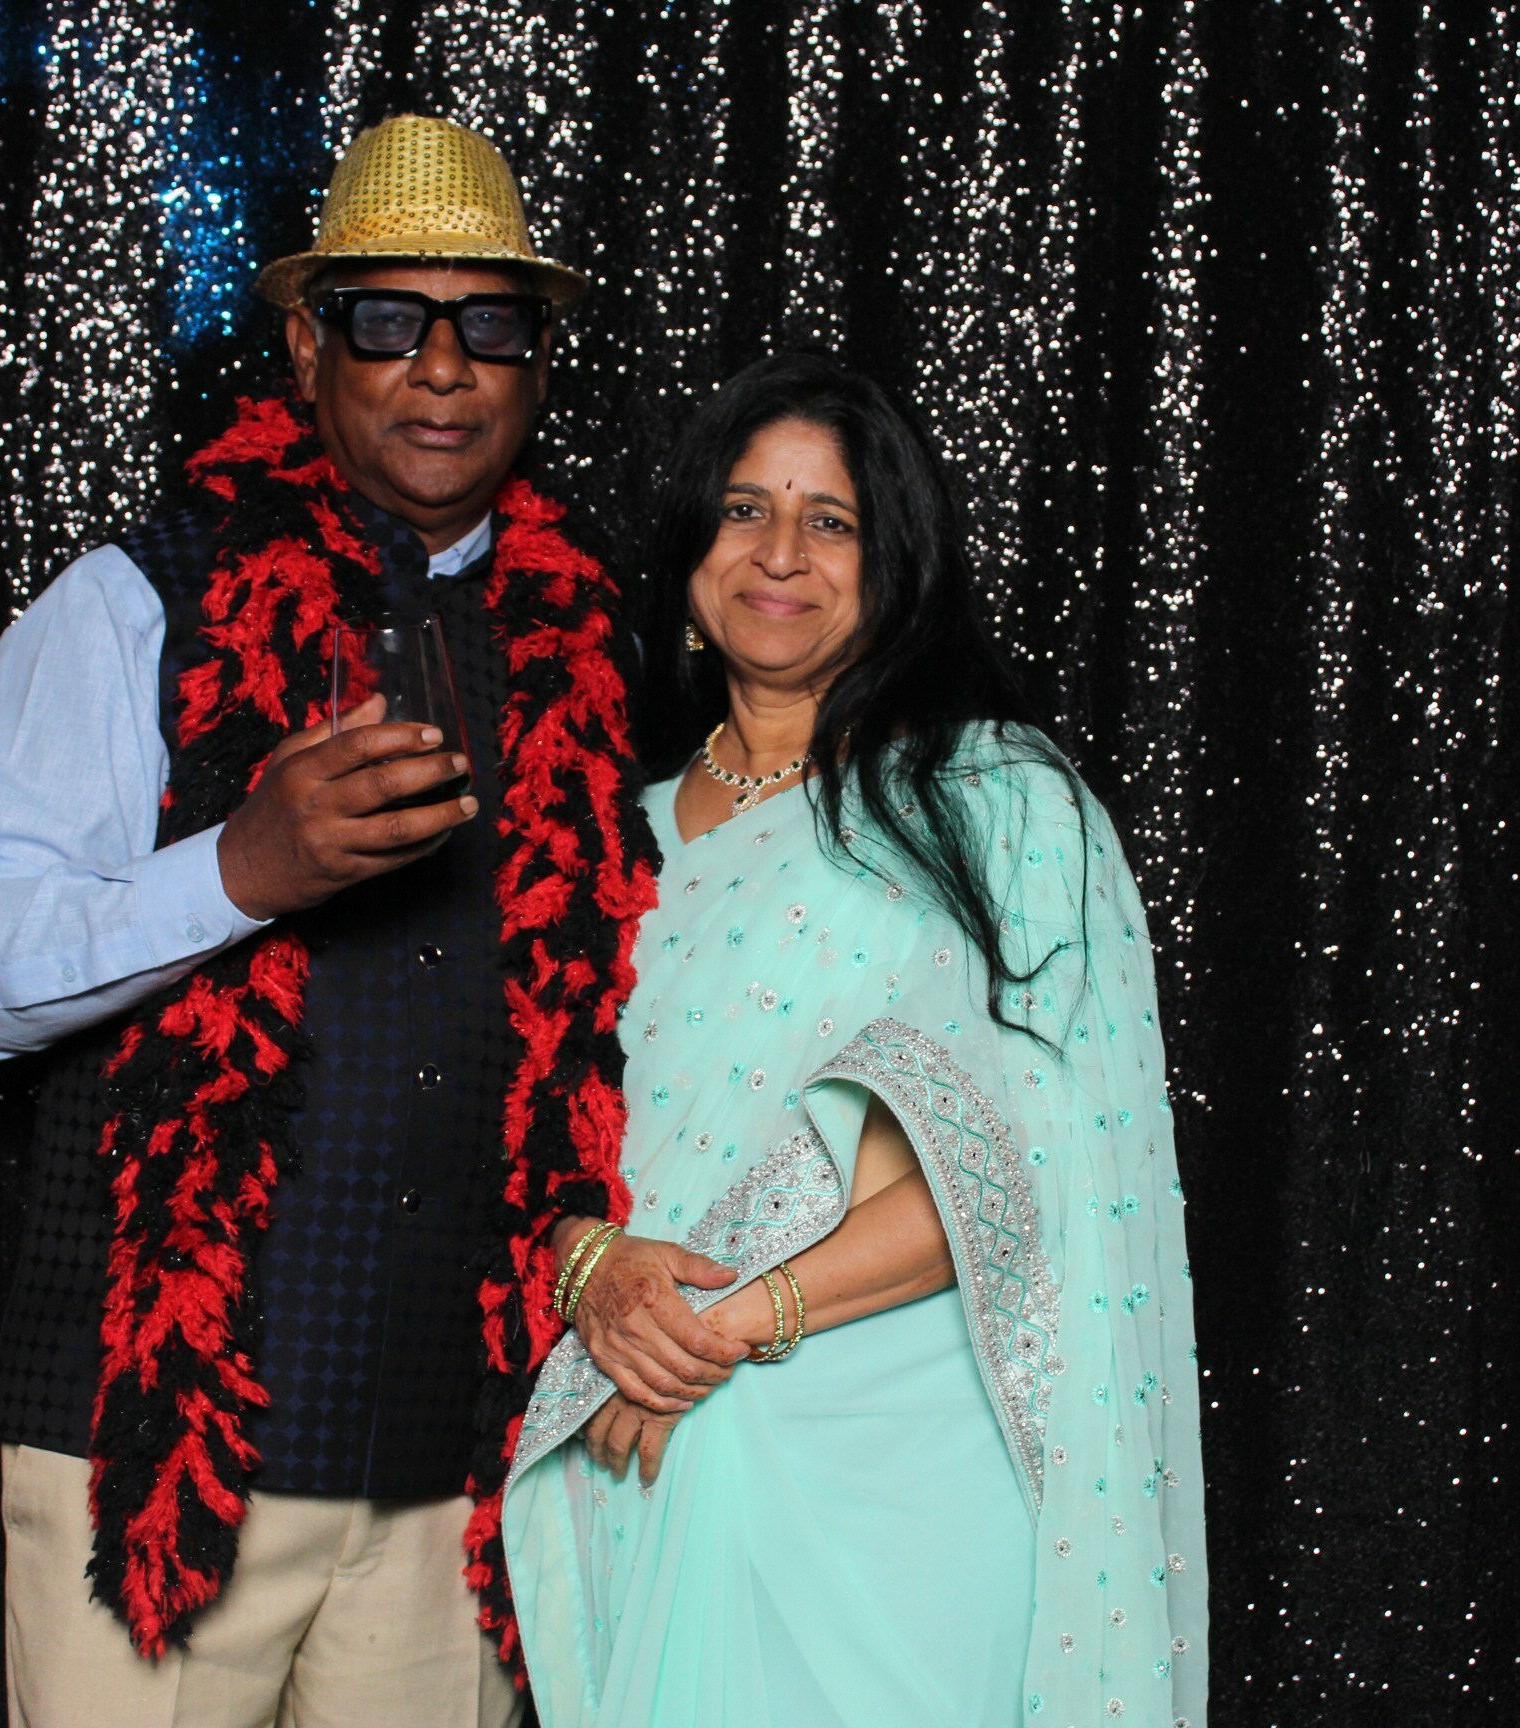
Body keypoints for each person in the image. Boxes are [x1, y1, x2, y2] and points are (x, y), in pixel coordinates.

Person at [0, 115, 657, 1728]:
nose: (443, 368)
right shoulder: (139, 598)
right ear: (310, 346)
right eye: (390, 319)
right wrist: (239, 871)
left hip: (455, 1476)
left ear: (540, 365)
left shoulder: (592, 641)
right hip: (158, 1461)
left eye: (491, 326)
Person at [499, 352, 1210, 1727]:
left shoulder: (995, 802)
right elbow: (524, 1144)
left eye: (830, 520)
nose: (780, 553)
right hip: (645, 1442)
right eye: (744, 510)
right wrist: (595, 1273)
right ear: (690, 555)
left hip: (895, 1469)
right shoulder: (599, 837)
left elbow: (1024, 1164)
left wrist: (716, 1329)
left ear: (897, 566)